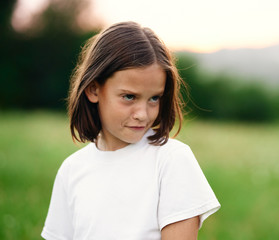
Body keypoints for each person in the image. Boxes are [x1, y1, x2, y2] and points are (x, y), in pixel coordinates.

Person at [41, 21, 220, 240]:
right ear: (93, 89)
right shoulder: (71, 170)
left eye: (154, 98)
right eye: (129, 97)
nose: (143, 114)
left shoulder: (172, 160)